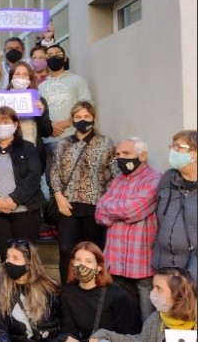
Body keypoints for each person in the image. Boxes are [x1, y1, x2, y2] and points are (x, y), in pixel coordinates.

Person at [95, 137, 161, 329]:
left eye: (126, 154)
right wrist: (118, 211)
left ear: (143, 155)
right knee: (121, 316)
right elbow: (99, 213)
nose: (120, 158)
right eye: (118, 154)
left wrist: (113, 210)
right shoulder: (117, 181)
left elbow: (132, 210)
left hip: (141, 260)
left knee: (147, 319)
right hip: (115, 261)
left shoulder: (154, 179)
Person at [50, 101, 116, 282]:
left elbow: (114, 174)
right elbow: (55, 171)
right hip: (67, 205)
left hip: (94, 205)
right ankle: (67, 289)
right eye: (78, 116)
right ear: (72, 119)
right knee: (66, 249)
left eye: (86, 116)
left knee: (92, 250)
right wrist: (58, 196)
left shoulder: (105, 143)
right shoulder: (63, 143)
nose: (82, 120)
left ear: (93, 118)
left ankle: (91, 286)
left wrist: (106, 200)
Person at [90, 267, 197, 342]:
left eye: (158, 289)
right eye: (153, 287)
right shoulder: (156, 319)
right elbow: (139, 340)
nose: (152, 292)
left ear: (177, 294)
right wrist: (105, 335)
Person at [0, 239, 63, 342]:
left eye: (16, 258)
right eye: (7, 257)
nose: (9, 262)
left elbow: (62, 324)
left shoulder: (49, 288)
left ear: (29, 263)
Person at [59, 242, 135, 342]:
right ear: (72, 263)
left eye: (88, 261)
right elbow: (70, 329)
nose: (82, 265)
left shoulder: (116, 294)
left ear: (99, 267)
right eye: (78, 260)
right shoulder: (68, 293)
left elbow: (126, 334)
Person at [37, 45, 92, 176]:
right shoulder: (40, 87)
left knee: (76, 180)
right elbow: (38, 114)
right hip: (49, 142)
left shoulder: (77, 81)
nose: (54, 57)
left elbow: (88, 107)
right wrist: (50, 127)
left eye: (58, 54)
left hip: (74, 138)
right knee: (52, 181)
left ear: (65, 58)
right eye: (50, 55)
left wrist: (64, 124)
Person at [152, 129, 197, 280]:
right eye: (172, 146)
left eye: (178, 147)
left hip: (191, 272)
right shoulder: (168, 178)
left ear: (194, 153)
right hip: (164, 266)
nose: (172, 150)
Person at [6, 61, 53, 170]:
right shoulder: (2, 99)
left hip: (33, 156)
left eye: (25, 74)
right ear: (11, 77)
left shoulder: (38, 100)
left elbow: (47, 132)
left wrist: (41, 114)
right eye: (17, 74)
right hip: (8, 155)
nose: (21, 78)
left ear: (30, 78)